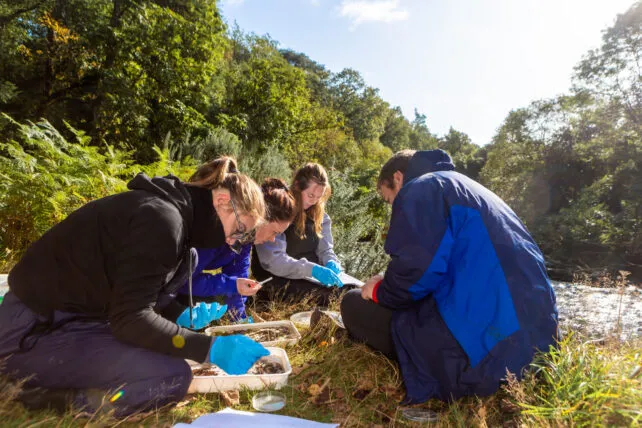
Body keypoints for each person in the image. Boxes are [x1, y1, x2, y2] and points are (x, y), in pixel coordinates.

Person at [0, 156, 270, 416]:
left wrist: (177, 315)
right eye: (239, 229)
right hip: (30, 330)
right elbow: (130, 318)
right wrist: (209, 349)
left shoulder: (175, 223)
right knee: (170, 376)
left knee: (164, 355)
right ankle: (41, 394)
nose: (234, 241)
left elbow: (138, 296)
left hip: (72, 319)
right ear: (222, 202)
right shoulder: (161, 221)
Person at [341, 149, 558, 404]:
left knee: (353, 302)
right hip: (540, 344)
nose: (393, 208)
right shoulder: (473, 189)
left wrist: (378, 290)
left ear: (398, 178)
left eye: (389, 200)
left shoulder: (420, 188)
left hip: (488, 352)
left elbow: (417, 272)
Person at [176, 178, 297, 322]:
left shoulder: (246, 241)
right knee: (202, 306)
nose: (273, 239)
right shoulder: (216, 232)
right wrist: (231, 285)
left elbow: (238, 274)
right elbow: (183, 281)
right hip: (164, 287)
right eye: (275, 232)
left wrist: (239, 320)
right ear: (261, 219)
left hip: (182, 281)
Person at [252, 163, 348, 306]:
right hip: (276, 276)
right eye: (310, 195)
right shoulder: (280, 212)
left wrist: (330, 261)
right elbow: (274, 261)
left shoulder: (322, 218)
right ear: (297, 186)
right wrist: (312, 269)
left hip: (308, 276)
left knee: (348, 290)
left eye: (318, 197)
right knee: (327, 297)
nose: (313, 201)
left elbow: (326, 249)